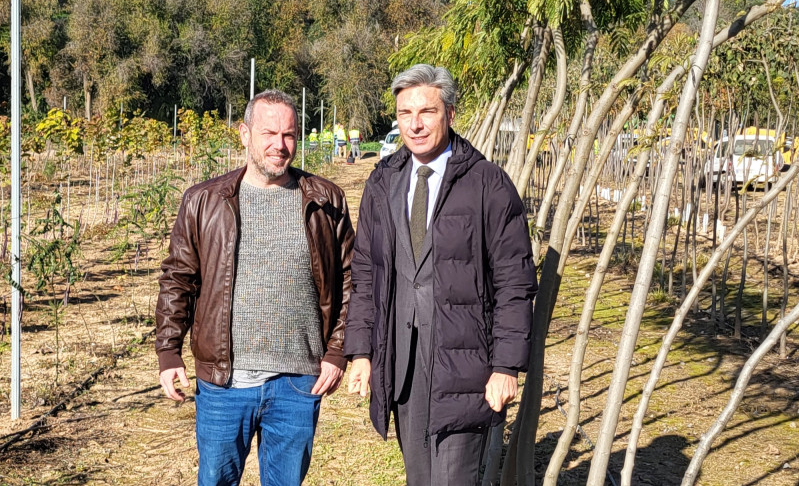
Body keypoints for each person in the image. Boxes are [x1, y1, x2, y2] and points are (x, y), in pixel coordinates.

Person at [344, 64, 537, 485]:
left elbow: (514, 282)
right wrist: (361, 352)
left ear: (450, 114)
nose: (414, 124)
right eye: (404, 113)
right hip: (402, 362)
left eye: (426, 112)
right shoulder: (383, 181)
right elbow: (366, 274)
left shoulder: (487, 184)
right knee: (419, 477)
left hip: (464, 365)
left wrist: (506, 366)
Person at [155, 89, 354, 486]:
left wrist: (338, 352)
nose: (279, 146)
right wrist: (168, 351)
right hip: (224, 384)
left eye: (289, 135)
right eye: (268, 133)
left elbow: (351, 280)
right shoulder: (204, 201)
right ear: (244, 133)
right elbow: (179, 278)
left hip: (299, 382)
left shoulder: (325, 199)